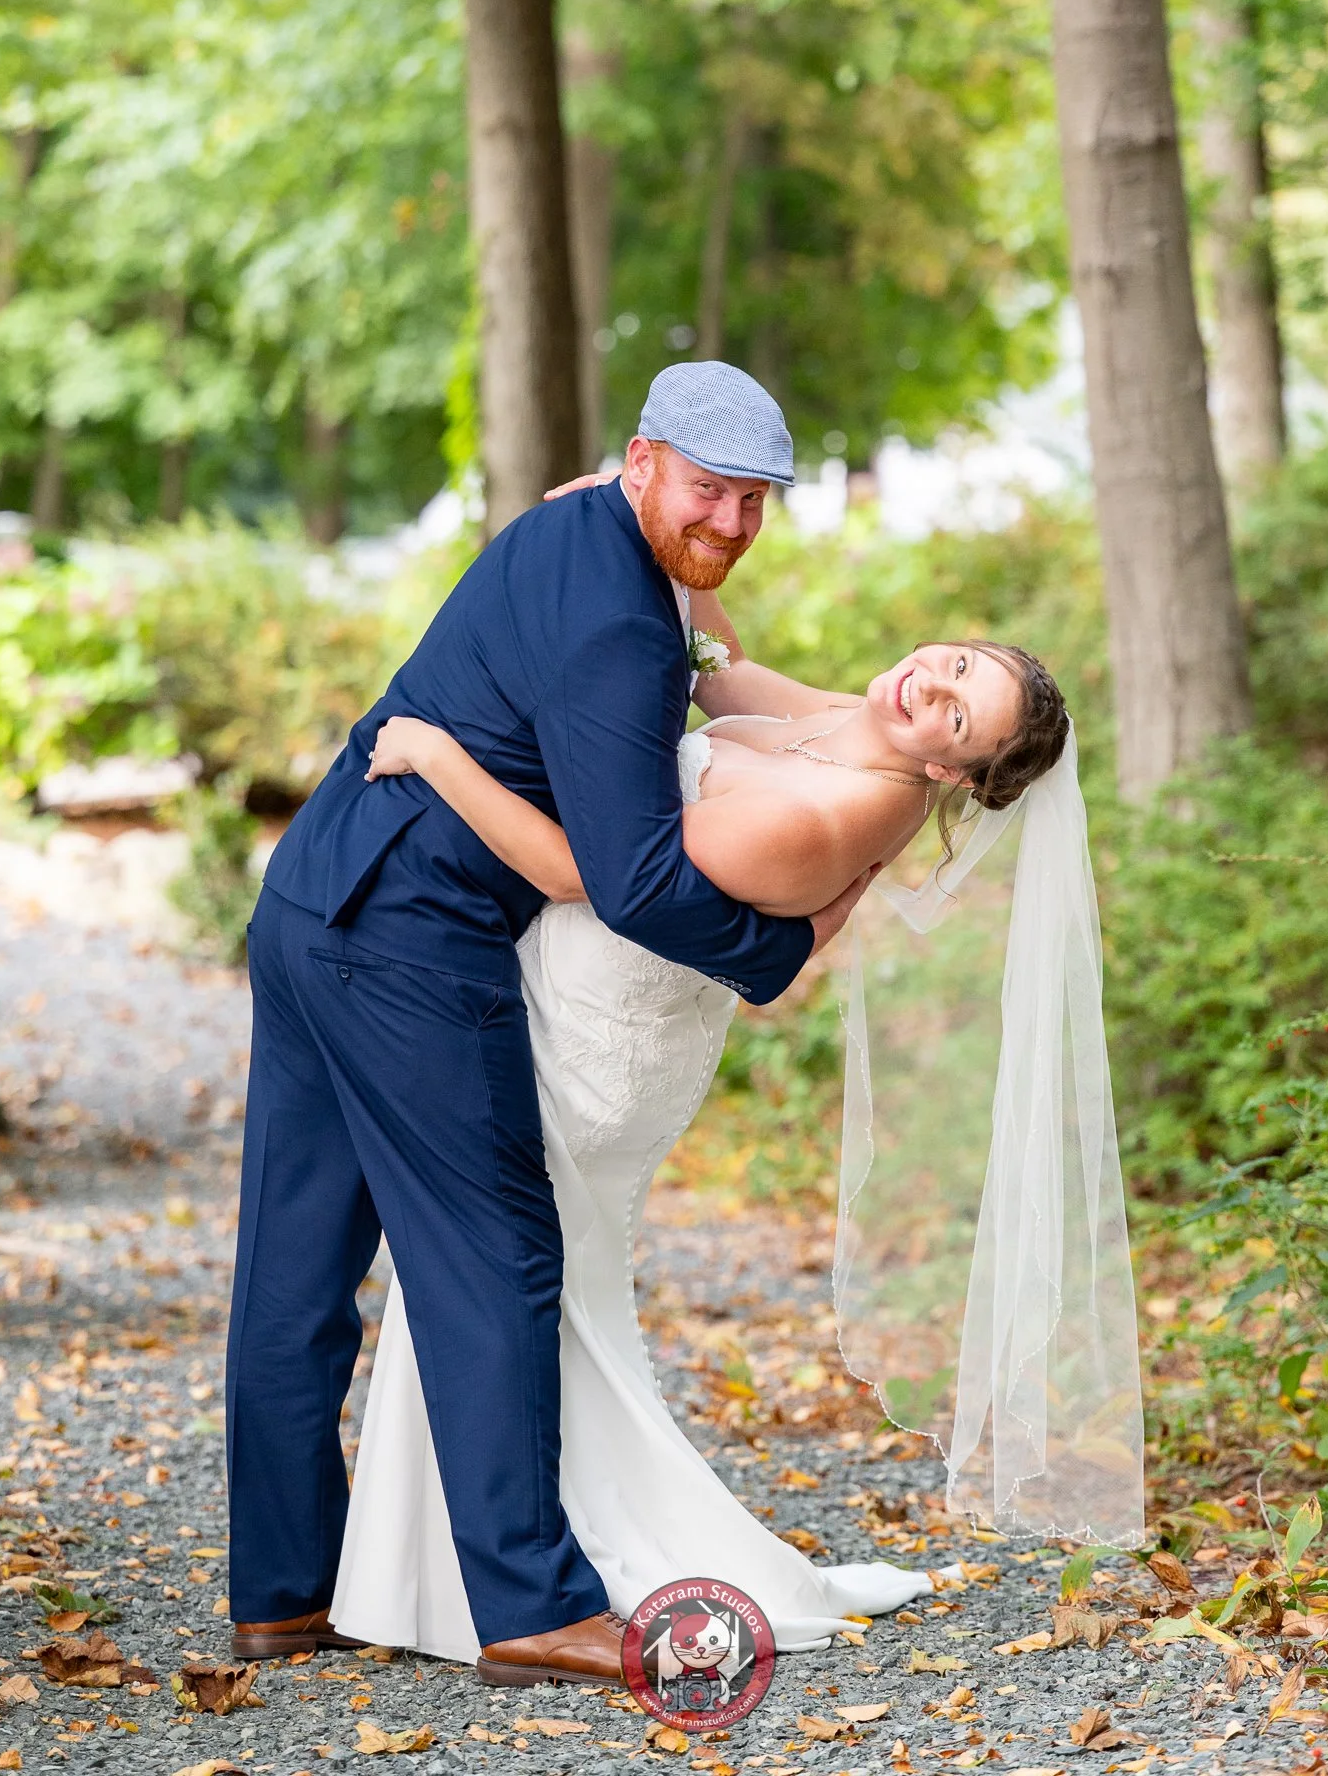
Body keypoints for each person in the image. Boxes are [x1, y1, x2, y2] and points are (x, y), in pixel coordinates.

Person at [224, 363, 872, 1683]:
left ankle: (278, 1596)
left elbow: (698, 678)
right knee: (500, 1250)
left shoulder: (577, 527)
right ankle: (527, 1602)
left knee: (293, 1273)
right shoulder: (624, 628)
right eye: (712, 490)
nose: (735, 522)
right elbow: (626, 880)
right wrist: (781, 948)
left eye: (758, 499)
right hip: (403, 941)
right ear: (644, 464)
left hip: (308, 896)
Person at [328, 601, 1068, 1664]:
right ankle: (463, 1567)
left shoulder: (820, 819)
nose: (928, 686)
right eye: (950, 664)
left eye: (955, 713)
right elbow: (720, 672)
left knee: (494, 1276)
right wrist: (651, 550)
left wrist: (437, 756)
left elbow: (586, 873)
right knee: (514, 1283)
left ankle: (482, 1577)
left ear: (954, 775)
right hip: (575, 1001)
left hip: (596, 1046)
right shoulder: (858, 721)